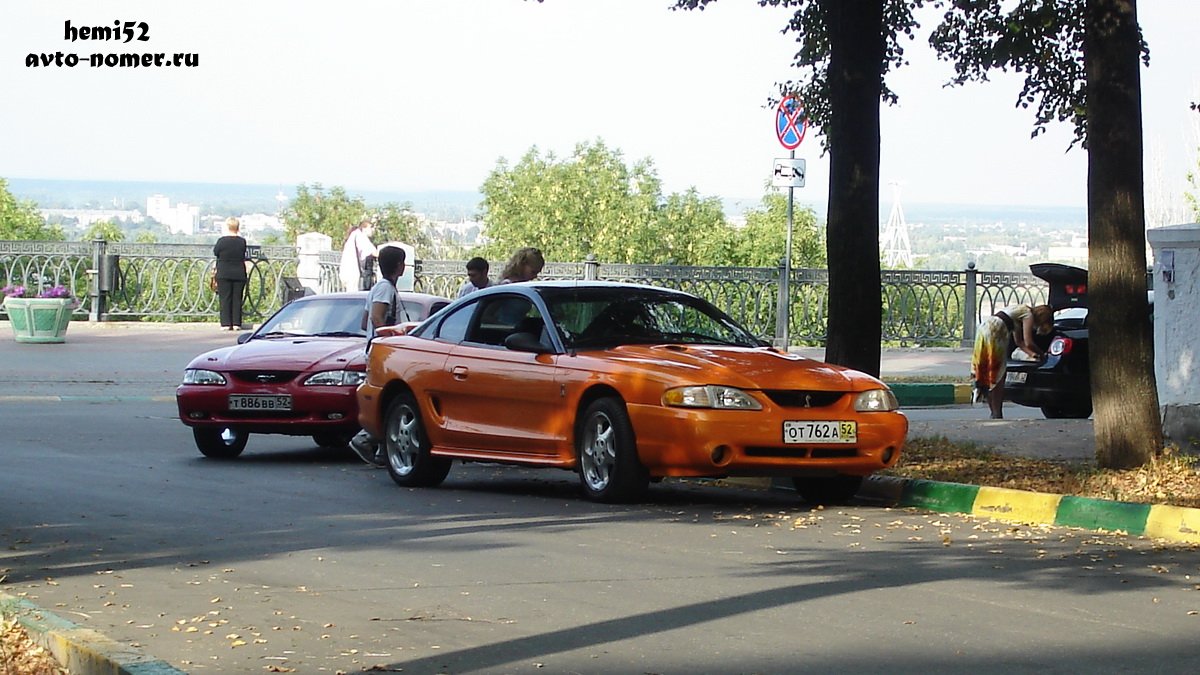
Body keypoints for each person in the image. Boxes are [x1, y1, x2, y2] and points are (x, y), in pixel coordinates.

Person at [350, 245, 409, 466]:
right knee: (388, 399)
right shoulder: (386, 289)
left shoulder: (378, 287)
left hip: (373, 350)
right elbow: (376, 317)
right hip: (383, 353)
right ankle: (364, 439)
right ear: (398, 266)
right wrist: (388, 336)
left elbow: (364, 321)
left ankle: (383, 452)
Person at [971, 303, 1054, 419]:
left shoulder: (1019, 310)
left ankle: (993, 412)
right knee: (999, 374)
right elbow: (1028, 342)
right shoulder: (1028, 315)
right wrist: (1043, 355)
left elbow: (1019, 342)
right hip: (996, 331)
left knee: (988, 371)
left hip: (984, 328)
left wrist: (1032, 355)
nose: (1037, 327)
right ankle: (997, 413)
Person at [212, 217, 248, 331]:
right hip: (239, 272)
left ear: (227, 227)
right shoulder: (242, 241)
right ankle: (237, 323)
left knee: (225, 298)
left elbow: (216, 252)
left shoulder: (222, 241)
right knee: (237, 298)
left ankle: (226, 323)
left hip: (224, 272)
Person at [339, 219, 378, 291]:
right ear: (364, 228)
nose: (372, 230)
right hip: (352, 271)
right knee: (352, 295)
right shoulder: (360, 236)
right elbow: (373, 252)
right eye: (370, 228)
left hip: (347, 270)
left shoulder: (354, 234)